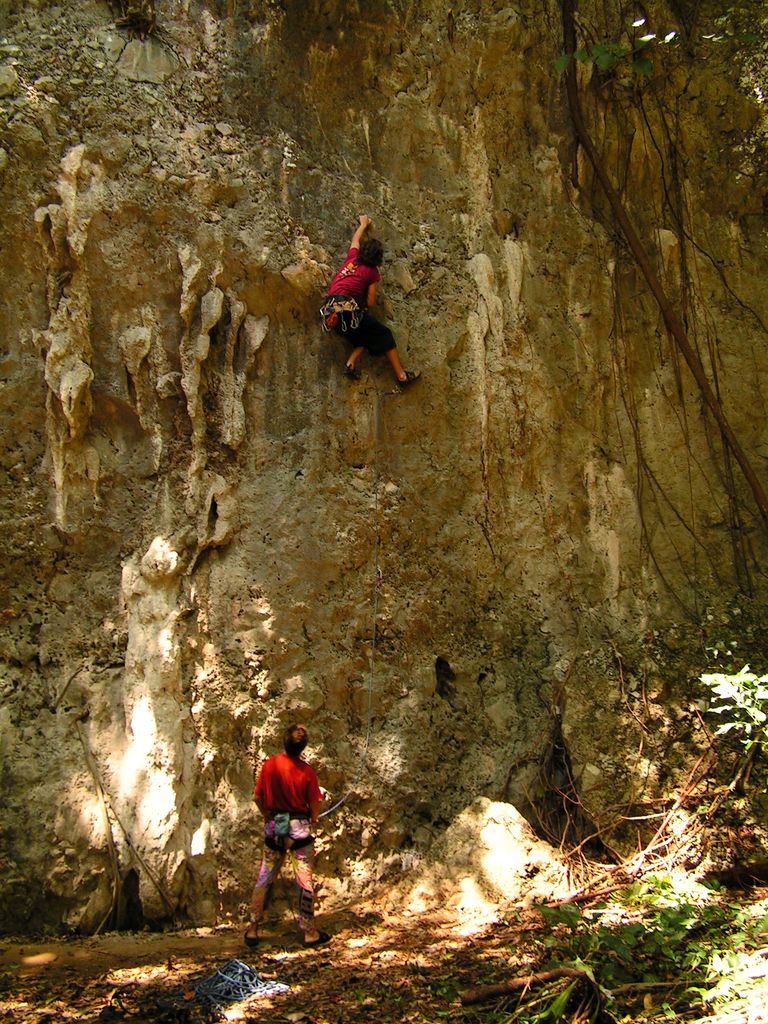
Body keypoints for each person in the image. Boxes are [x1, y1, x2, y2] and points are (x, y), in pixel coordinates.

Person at [244, 724, 330, 948]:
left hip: (275, 826)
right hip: (299, 829)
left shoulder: (269, 766)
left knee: (265, 876)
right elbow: (314, 804)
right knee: (304, 879)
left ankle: (252, 928)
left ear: (284, 742)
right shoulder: (307, 772)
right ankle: (309, 932)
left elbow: (257, 797)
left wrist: (266, 817)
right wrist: (313, 817)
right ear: (303, 747)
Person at [320, 214, 421, 387]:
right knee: (384, 334)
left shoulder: (352, 259)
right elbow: (371, 301)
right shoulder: (372, 272)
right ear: (378, 260)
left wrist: (363, 224)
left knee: (364, 335)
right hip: (347, 308)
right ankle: (402, 376)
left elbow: (355, 240)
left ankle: (350, 363)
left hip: (330, 307)